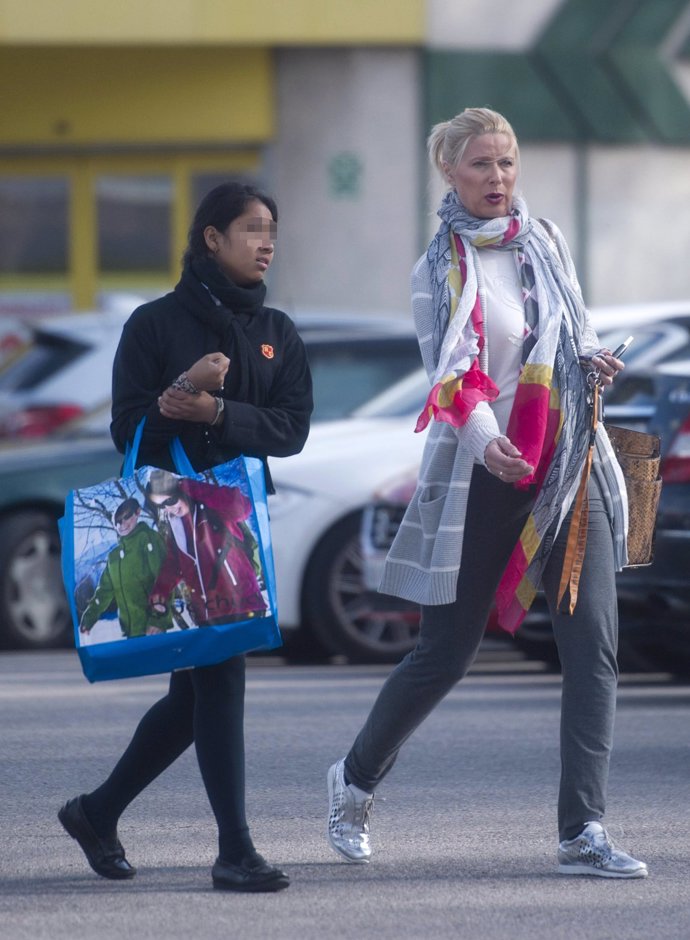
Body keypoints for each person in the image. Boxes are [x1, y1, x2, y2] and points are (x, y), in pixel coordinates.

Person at [326, 108, 648, 879]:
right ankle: (355, 780)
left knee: (594, 647)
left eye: (506, 162)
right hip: (489, 469)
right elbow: (454, 372)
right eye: (480, 165)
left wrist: (593, 362)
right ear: (449, 172)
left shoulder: (546, 243)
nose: (498, 178)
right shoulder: (440, 266)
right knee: (446, 653)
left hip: (568, 461)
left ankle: (583, 831)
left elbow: (571, 333)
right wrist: (483, 439)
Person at [59, 181, 312, 892]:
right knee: (219, 675)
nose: (266, 243)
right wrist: (181, 394)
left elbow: (291, 430)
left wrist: (218, 411)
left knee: (195, 695)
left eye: (272, 230)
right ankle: (235, 850)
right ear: (212, 238)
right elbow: (128, 432)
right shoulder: (153, 324)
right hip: (169, 528)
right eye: (252, 229)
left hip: (233, 529)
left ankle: (96, 813)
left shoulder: (277, 330)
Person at [145, 470, 266, 626]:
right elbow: (173, 564)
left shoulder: (213, 507)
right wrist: (161, 590)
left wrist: (192, 487)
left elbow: (243, 507)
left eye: (170, 500)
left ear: (181, 490)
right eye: (160, 505)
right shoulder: (175, 526)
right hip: (207, 616)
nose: (168, 508)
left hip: (243, 606)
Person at [79, 497, 173, 639]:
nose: (122, 524)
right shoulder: (114, 557)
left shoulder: (148, 539)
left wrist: (158, 620)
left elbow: (164, 578)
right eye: (118, 521)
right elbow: (104, 591)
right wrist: (89, 618)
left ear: (137, 512)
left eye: (127, 516)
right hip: (131, 633)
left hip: (152, 629)